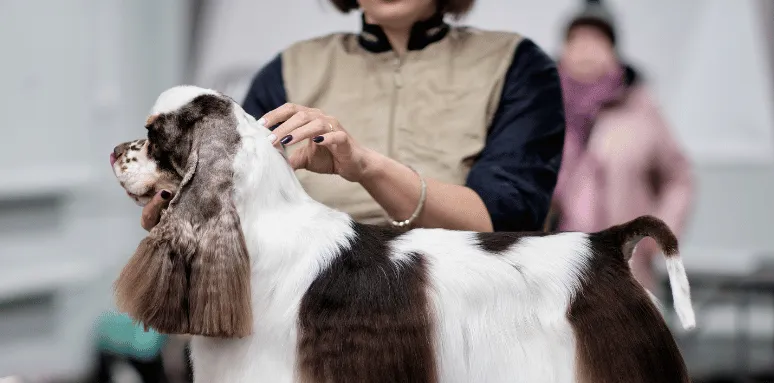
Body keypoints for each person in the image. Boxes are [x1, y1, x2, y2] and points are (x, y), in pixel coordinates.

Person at [141, 0, 563, 234]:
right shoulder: (291, 67)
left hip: (462, 306)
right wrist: (181, 199)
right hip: (311, 307)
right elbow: (239, 199)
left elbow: (506, 223)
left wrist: (365, 167)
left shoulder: (514, 64)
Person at [551, 0, 693, 291]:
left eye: (597, 40)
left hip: (625, 267)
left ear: (613, 51)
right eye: (577, 40)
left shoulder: (640, 107)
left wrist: (661, 233)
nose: (586, 50)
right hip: (557, 267)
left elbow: (679, 178)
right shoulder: (540, 106)